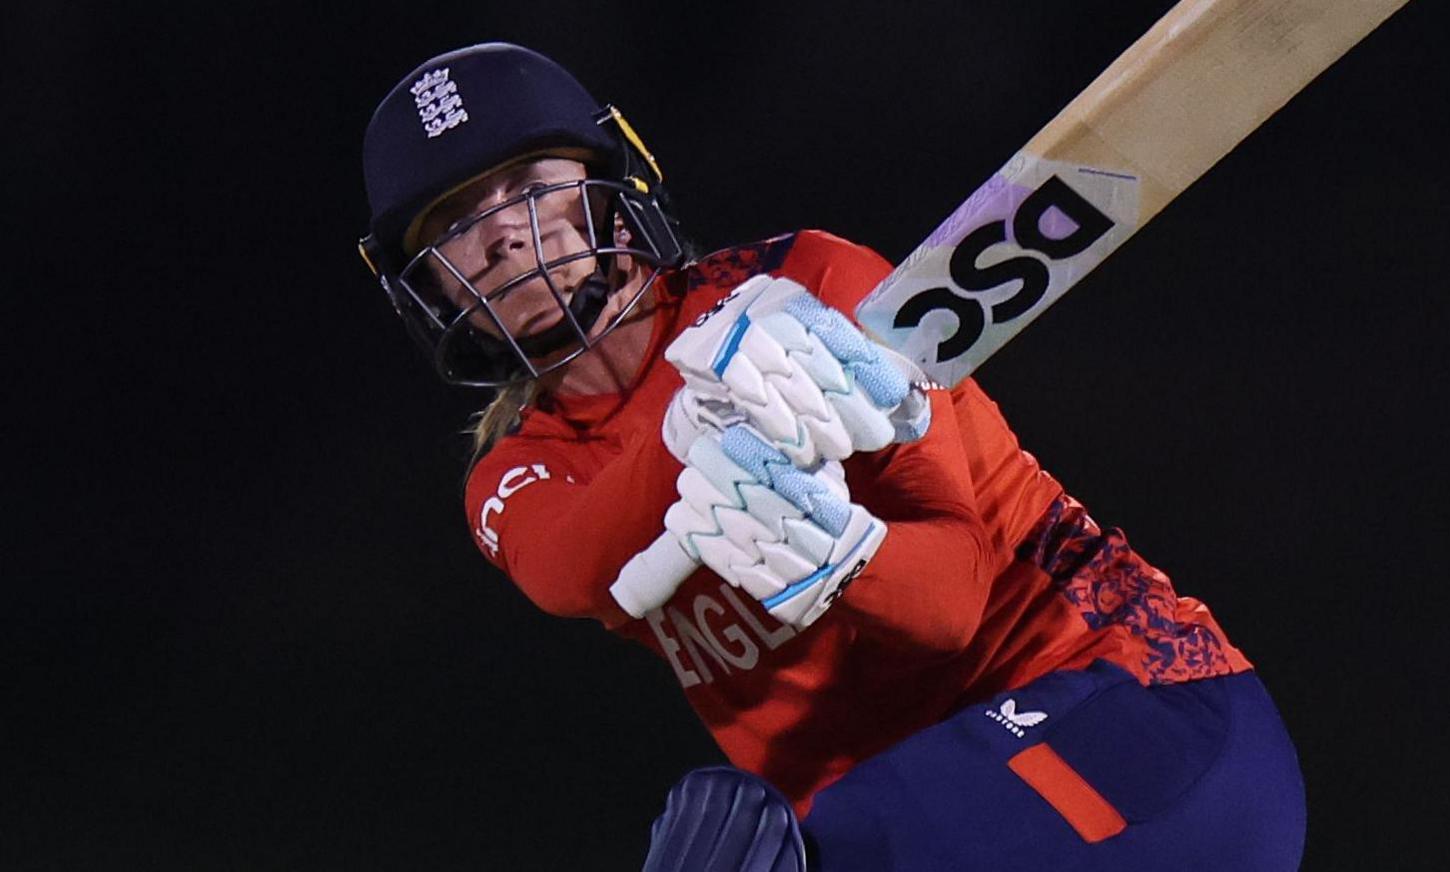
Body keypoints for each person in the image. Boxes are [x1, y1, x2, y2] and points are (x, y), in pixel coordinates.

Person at [359, 42, 1306, 871]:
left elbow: (948, 603)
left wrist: (844, 556)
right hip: (944, 812)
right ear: (430, 282)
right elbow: (569, 569)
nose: (495, 235)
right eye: (450, 225)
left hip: (1140, 718)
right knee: (733, 834)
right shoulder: (517, 471)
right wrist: (705, 423)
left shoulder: (809, 285)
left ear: (610, 185)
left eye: (526, 186)